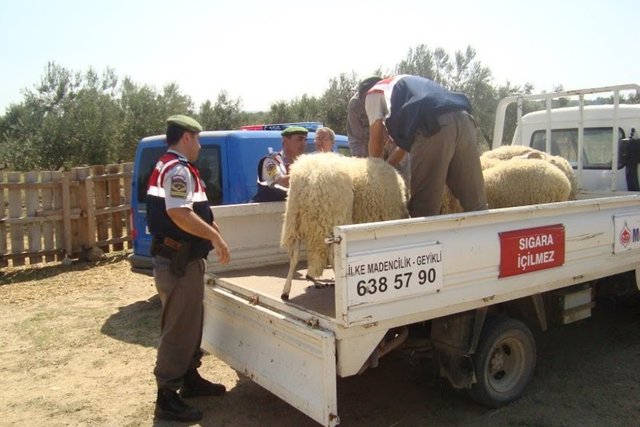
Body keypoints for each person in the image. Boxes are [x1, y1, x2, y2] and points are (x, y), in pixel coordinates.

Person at [146, 114, 231, 422]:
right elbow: (179, 213)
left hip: (182, 261)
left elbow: (193, 211)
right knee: (179, 330)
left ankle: (189, 380)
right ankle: (166, 396)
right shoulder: (178, 169)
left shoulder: (171, 165)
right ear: (185, 137)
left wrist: (211, 227)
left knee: (191, 324)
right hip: (178, 263)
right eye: (196, 138)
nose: (199, 144)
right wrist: (214, 237)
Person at [364, 75, 488, 217]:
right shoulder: (407, 88)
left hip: (433, 125)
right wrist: (387, 167)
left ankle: (422, 237)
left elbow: (376, 141)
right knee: (476, 203)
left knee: (423, 209)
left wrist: (375, 172)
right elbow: (404, 149)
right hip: (464, 118)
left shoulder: (374, 92)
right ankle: (487, 236)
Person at [250, 126, 307, 202]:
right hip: (266, 211)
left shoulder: (303, 163)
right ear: (285, 140)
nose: (303, 143)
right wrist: (308, 176)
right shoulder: (271, 161)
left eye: (305, 140)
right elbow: (281, 182)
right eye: (300, 139)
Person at [347, 76, 382, 157]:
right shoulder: (355, 105)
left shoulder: (390, 100)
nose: (370, 103)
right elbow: (358, 138)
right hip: (364, 143)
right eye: (366, 99)